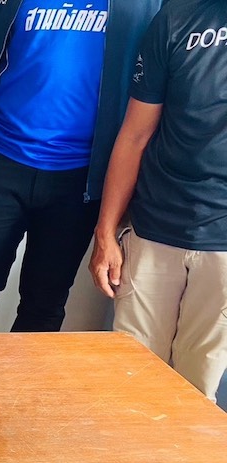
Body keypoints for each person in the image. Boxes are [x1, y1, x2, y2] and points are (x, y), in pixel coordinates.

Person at [0, 0, 162, 334]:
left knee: (45, 304)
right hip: (1, 158)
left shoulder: (141, 5)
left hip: (80, 177)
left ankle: (24, 374)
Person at [89, 0, 227, 402]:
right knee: (132, 383)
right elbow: (135, 134)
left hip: (222, 249)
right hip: (154, 229)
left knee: (197, 393)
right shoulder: (176, 19)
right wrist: (106, 233)